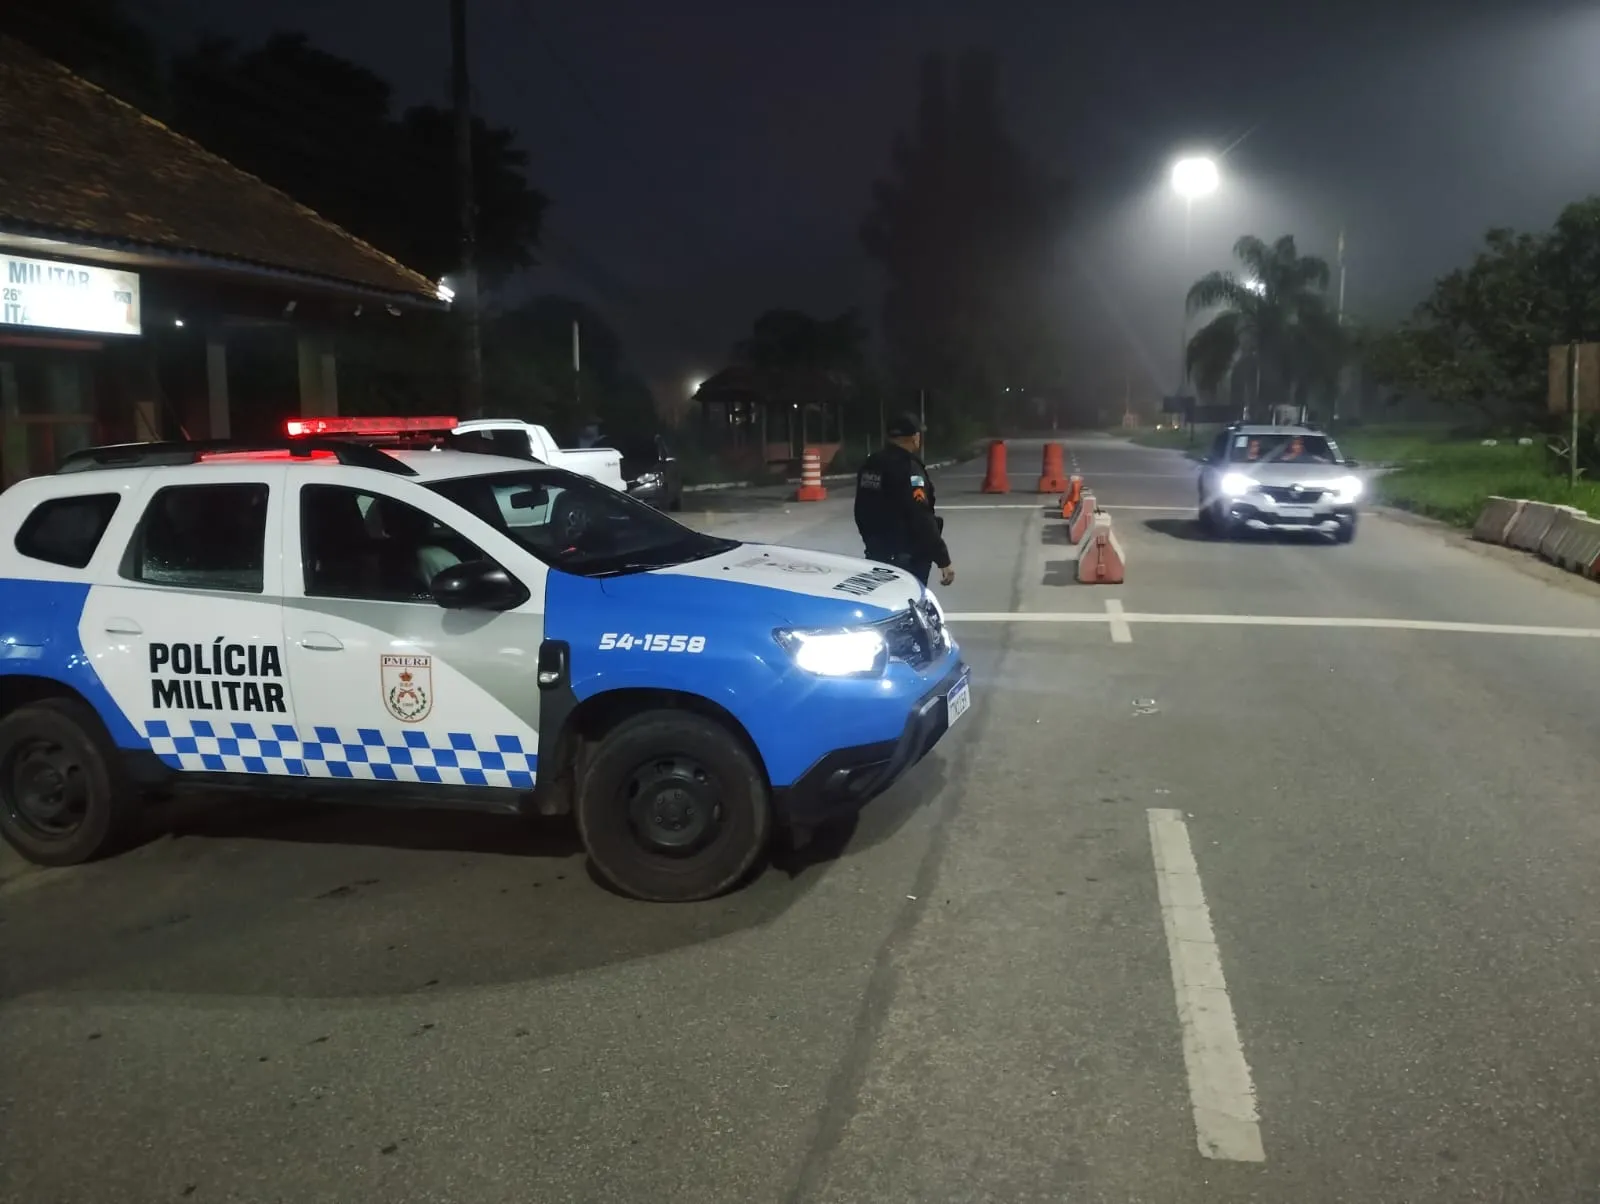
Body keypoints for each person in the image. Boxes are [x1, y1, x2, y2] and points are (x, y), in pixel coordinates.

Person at [853, 413, 955, 588]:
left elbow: (861, 510)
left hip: (877, 554)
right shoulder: (909, 468)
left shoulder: (871, 464)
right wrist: (942, 558)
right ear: (914, 437)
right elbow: (920, 514)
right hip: (908, 558)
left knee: (883, 598)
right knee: (909, 599)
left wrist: (872, 543)